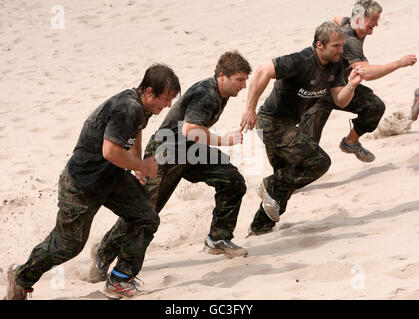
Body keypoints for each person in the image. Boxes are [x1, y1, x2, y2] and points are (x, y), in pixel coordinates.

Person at [4, 64, 180, 300]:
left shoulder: (142, 108)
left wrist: (136, 161)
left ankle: (120, 279)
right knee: (68, 244)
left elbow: (136, 130)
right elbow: (110, 152)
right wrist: (141, 166)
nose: (168, 105)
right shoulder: (127, 108)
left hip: (112, 178)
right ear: (149, 92)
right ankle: (21, 276)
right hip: (82, 184)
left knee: (146, 218)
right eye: (166, 98)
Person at [91, 51, 251, 266]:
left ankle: (218, 239)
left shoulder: (221, 93)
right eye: (239, 80)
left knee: (232, 181)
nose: (243, 85)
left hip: (192, 152)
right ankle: (104, 252)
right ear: (222, 76)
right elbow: (191, 130)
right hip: (166, 153)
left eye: (245, 80)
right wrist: (224, 140)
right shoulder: (207, 94)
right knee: (145, 212)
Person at [240, 21, 365, 236]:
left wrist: (351, 85)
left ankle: (259, 227)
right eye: (336, 46)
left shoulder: (335, 65)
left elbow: (341, 101)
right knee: (318, 162)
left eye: (342, 45)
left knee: (286, 181)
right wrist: (249, 109)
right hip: (272, 122)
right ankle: (269, 185)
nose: (341, 50)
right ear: (319, 45)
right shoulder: (301, 60)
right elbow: (263, 70)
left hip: (288, 125)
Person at [299, 0, 417, 162]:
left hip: (340, 87)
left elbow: (337, 17)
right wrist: (399, 63)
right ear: (360, 19)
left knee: (374, 106)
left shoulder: (349, 22)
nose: (376, 24)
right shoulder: (349, 40)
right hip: (316, 92)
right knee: (305, 152)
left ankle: (350, 142)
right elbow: (366, 73)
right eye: (374, 19)